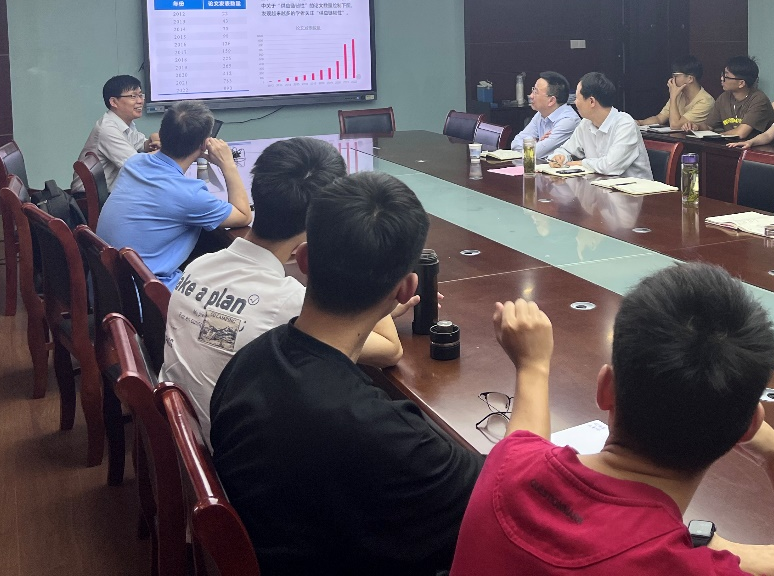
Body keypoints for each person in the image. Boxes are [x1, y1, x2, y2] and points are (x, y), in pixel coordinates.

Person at [210, 171, 555, 574]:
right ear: (408, 289)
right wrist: (533, 366)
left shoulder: (247, 362)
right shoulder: (379, 432)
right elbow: (523, 491)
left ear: (302, 261)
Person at [449, 262, 774, 576]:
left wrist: (533, 365)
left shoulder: (507, 467)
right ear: (746, 429)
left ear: (605, 390)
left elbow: (525, 438)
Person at [159, 136, 413, 429]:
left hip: (183, 432)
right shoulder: (288, 303)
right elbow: (389, 350)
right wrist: (377, 298)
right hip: (230, 449)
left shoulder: (199, 266)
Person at [96, 100, 250, 287]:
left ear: (161, 134)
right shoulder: (189, 195)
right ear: (204, 144)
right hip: (152, 294)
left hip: (113, 286)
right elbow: (243, 215)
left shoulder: (134, 163)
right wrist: (228, 164)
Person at [549, 72, 653, 179]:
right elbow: (566, 150)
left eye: (577, 98)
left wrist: (580, 163)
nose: (575, 102)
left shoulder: (625, 124)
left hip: (632, 188)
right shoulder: (585, 123)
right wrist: (560, 157)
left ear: (591, 101)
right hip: (599, 185)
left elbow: (610, 167)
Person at [69, 74, 160, 191]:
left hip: (109, 195)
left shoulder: (125, 123)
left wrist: (153, 140)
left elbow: (142, 145)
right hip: (89, 198)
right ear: (113, 102)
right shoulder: (107, 129)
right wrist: (167, 151)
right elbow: (136, 165)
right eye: (133, 96)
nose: (140, 101)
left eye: (140, 95)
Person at [510, 71, 582, 160]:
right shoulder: (541, 113)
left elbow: (536, 153)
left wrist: (532, 144)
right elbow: (515, 144)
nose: (531, 96)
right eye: (533, 90)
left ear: (551, 101)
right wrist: (536, 143)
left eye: (536, 92)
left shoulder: (568, 121)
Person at [704, 55, 774, 139]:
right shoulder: (724, 97)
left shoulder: (759, 99)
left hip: (757, 146)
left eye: (726, 76)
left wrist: (717, 136)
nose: (722, 78)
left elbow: (741, 133)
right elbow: (709, 126)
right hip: (731, 144)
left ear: (741, 83)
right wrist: (696, 127)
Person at [637, 56, 715, 131]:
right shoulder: (678, 95)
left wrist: (673, 96)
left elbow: (675, 125)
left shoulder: (705, 100)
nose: (671, 80)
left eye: (676, 76)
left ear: (690, 79)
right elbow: (659, 118)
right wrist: (639, 122)